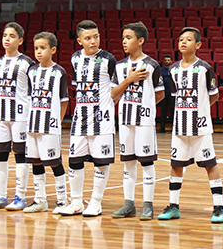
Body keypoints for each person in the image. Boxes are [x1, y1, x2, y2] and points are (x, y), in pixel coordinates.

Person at [158, 27, 223, 222]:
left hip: (201, 128)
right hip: (179, 128)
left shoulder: (205, 68)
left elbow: (214, 95)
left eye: (188, 39)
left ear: (198, 45)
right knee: (176, 166)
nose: (183, 42)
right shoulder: (173, 69)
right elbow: (176, 96)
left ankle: (218, 207)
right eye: (180, 39)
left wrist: (200, 110)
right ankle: (174, 206)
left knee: (210, 165)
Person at [58, 20, 118, 217]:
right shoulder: (75, 58)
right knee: (74, 161)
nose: (93, 41)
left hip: (102, 120)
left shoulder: (109, 59)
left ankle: (96, 202)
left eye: (96, 36)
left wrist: (107, 108)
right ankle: (76, 202)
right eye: (88, 38)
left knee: (101, 162)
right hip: (80, 121)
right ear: (79, 41)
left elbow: (115, 90)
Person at [111, 22, 165, 220]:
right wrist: (128, 80)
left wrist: (146, 107)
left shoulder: (152, 65)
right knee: (128, 164)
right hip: (125, 121)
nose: (124, 41)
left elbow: (160, 94)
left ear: (140, 40)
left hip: (144, 122)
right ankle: (129, 204)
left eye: (128, 38)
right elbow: (113, 94)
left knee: (147, 163)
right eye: (123, 38)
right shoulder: (119, 66)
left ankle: (148, 205)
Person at [23, 32, 70, 213]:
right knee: (36, 162)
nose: (39, 52)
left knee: (54, 162)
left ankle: (62, 199)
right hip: (33, 124)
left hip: (50, 126)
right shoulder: (32, 71)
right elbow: (29, 98)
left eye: (43, 48)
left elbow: (64, 100)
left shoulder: (59, 72)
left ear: (53, 50)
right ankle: (40, 200)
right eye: (36, 48)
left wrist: (57, 122)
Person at [0, 22, 35, 211]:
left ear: (20, 40)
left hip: (21, 115)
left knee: (20, 155)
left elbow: (33, 92)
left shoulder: (27, 63)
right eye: (4, 35)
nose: (7, 39)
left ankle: (20, 196)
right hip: (1, 115)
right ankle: (1, 195)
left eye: (11, 36)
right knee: (0, 155)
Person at [158, 54, 174, 133]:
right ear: (163, 61)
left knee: (173, 110)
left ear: (171, 61)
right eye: (166, 60)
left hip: (172, 93)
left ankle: (175, 128)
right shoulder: (161, 70)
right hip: (163, 93)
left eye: (168, 60)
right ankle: (162, 128)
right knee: (163, 111)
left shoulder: (174, 69)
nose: (167, 61)